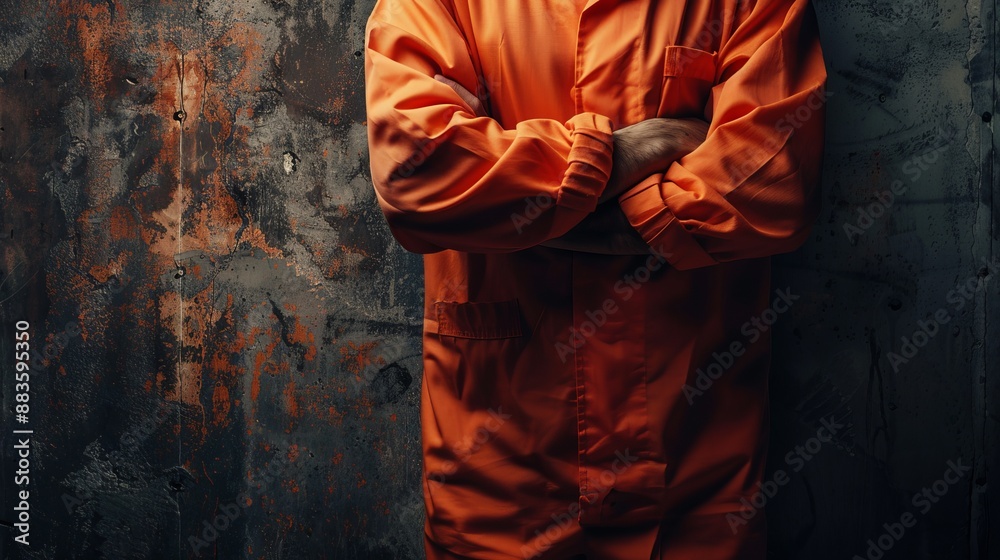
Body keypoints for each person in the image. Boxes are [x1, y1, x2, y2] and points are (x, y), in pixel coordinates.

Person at [363, 0, 827, 558]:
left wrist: (516, 205)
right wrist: (641, 148)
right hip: (500, 482)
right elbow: (417, 171)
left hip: (693, 481)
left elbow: (775, 183)